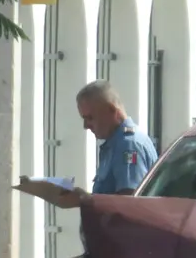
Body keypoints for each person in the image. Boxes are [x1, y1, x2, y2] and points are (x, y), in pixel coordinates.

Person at [52, 80, 158, 208]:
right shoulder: (117, 143)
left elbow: (128, 202)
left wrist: (84, 199)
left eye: (90, 118)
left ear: (111, 110)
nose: (86, 126)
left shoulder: (128, 146)